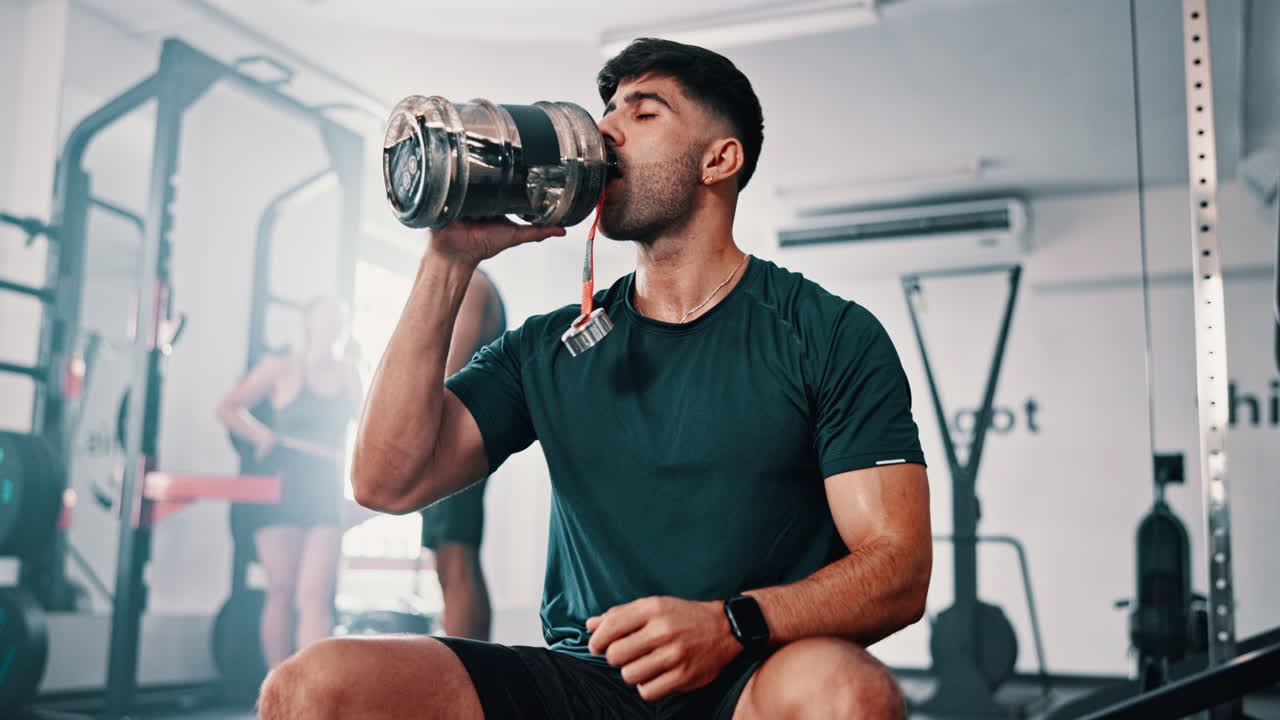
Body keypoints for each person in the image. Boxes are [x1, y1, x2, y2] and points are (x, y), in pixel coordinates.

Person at [259, 38, 932, 719]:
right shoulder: (548, 347)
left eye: (643, 114)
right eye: (607, 110)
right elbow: (384, 482)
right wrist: (448, 260)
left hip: (753, 672)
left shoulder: (825, 332)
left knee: (848, 694)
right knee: (312, 687)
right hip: (591, 680)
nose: (605, 130)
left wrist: (730, 625)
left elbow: (898, 570)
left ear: (718, 160)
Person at [217, 296, 363, 668]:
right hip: (283, 479)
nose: (331, 323)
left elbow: (368, 430)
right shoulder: (280, 367)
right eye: (325, 315)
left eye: (338, 317)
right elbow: (228, 408)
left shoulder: (349, 373)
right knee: (281, 590)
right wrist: (262, 436)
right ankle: (278, 690)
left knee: (316, 593)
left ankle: (310, 693)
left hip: (324, 483)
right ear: (308, 322)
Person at [420, 268, 507, 640]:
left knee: (457, 557)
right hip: (448, 438)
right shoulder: (460, 280)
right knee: (448, 559)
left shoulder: (472, 284)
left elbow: (447, 370)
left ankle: (470, 668)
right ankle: (469, 661)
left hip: (457, 438)